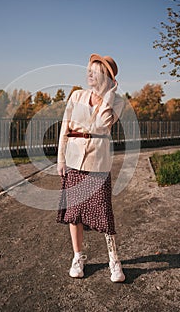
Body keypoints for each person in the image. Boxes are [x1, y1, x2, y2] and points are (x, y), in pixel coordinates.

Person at [56, 53, 125, 282]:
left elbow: (102, 123)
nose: (89, 74)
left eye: (95, 71)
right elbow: (65, 127)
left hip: (98, 163)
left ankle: (114, 260)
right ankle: (78, 257)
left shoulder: (117, 102)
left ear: (106, 77)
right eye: (89, 70)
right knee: (74, 214)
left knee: (103, 213)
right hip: (73, 160)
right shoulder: (76, 95)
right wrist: (61, 159)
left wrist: (108, 93)